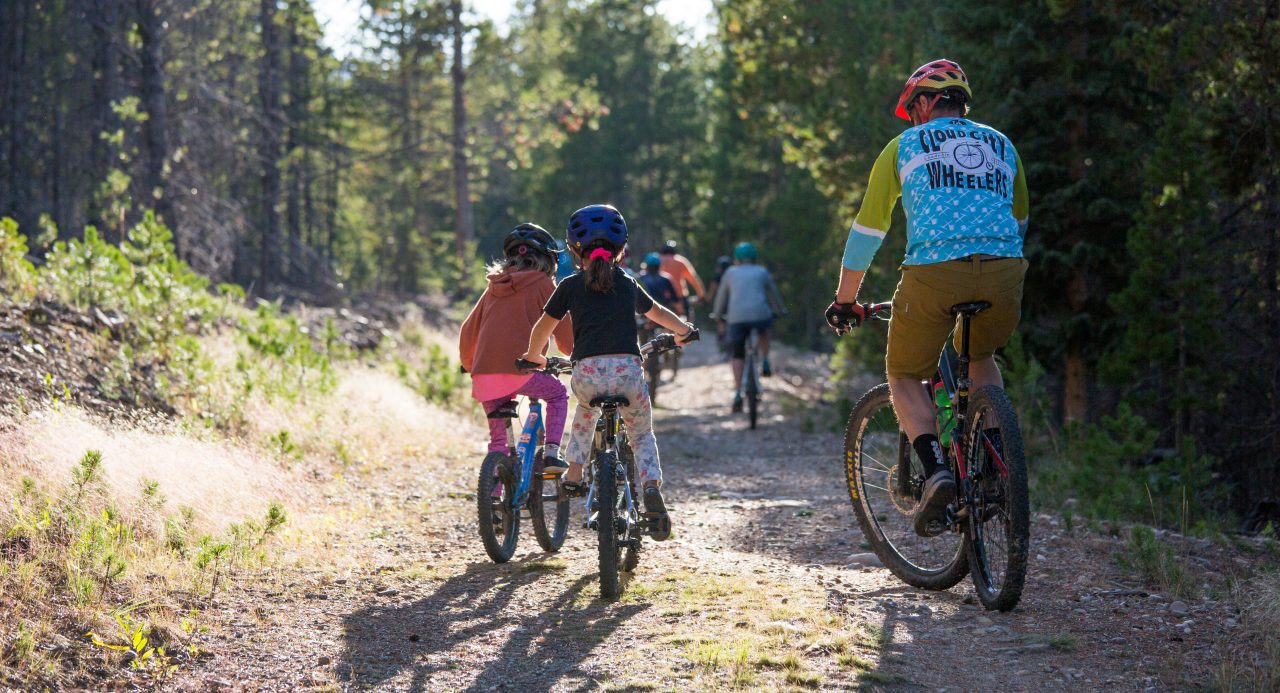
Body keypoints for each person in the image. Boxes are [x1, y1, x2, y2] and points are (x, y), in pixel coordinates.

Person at [824, 59, 1029, 537]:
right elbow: (1019, 220)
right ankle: (997, 465)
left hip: (934, 272)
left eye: (911, 108)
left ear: (923, 104)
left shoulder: (904, 146)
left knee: (903, 374)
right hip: (1005, 269)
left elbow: (868, 230)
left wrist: (845, 300)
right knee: (979, 356)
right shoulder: (1002, 144)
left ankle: (936, 470)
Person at [521, 204, 694, 540]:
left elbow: (544, 326)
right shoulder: (627, 282)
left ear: (573, 250)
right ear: (622, 249)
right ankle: (650, 486)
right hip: (628, 373)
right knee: (641, 432)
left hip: (586, 374)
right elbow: (657, 312)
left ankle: (573, 474)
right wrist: (683, 330)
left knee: (585, 414)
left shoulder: (569, 285)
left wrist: (533, 357)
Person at [460, 223, 575, 474]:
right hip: (521, 372)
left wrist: (470, 364)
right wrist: (571, 354)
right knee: (557, 395)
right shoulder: (544, 284)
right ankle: (552, 453)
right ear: (548, 260)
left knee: (498, 443)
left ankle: (494, 499)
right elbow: (565, 335)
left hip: (483, 376)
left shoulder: (493, 286)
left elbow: (468, 330)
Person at [713, 242, 786, 412]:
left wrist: (717, 315)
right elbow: (773, 294)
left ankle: (738, 392)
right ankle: (766, 359)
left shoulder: (730, 273)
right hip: (760, 315)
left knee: (737, 354)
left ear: (737, 258)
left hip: (736, 319)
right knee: (764, 328)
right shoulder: (762, 271)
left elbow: (721, 297)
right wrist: (781, 310)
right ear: (754, 257)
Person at [658, 240, 705, 317]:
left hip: (662, 297)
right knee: (687, 319)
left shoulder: (658, 260)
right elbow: (693, 279)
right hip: (680, 297)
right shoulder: (680, 261)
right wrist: (701, 294)